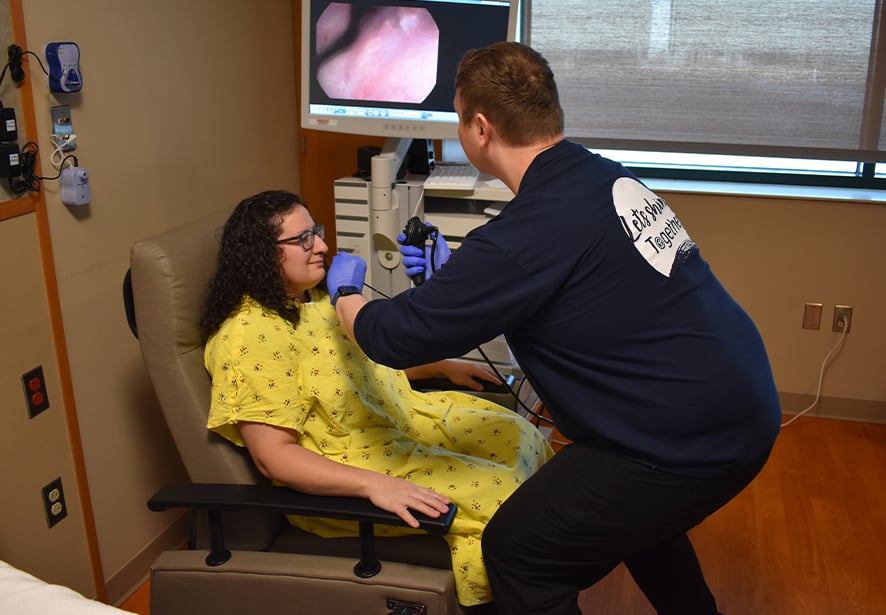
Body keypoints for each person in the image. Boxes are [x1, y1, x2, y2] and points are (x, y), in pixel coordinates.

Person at [327, 41, 782, 615]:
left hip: (682, 438)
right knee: (637, 523)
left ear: (481, 128)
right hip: (737, 397)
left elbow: (391, 337)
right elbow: (576, 285)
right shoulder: (605, 178)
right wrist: (456, 276)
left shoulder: (519, 239)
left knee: (521, 551)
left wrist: (345, 293)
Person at [200, 189, 554, 611]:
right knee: (506, 495)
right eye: (304, 240)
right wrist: (378, 486)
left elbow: (356, 372)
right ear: (261, 254)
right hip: (352, 473)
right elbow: (273, 458)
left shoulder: (313, 302)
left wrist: (440, 366)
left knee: (519, 437)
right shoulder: (249, 338)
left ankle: (534, 573)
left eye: (317, 231)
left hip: (397, 425)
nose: (323, 246)